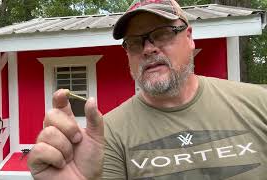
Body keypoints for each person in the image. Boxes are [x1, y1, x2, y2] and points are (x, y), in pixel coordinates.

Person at [27, 0, 267, 179]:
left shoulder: (259, 104)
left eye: (162, 34)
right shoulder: (105, 136)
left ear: (190, 37)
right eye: (134, 42)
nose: (148, 49)